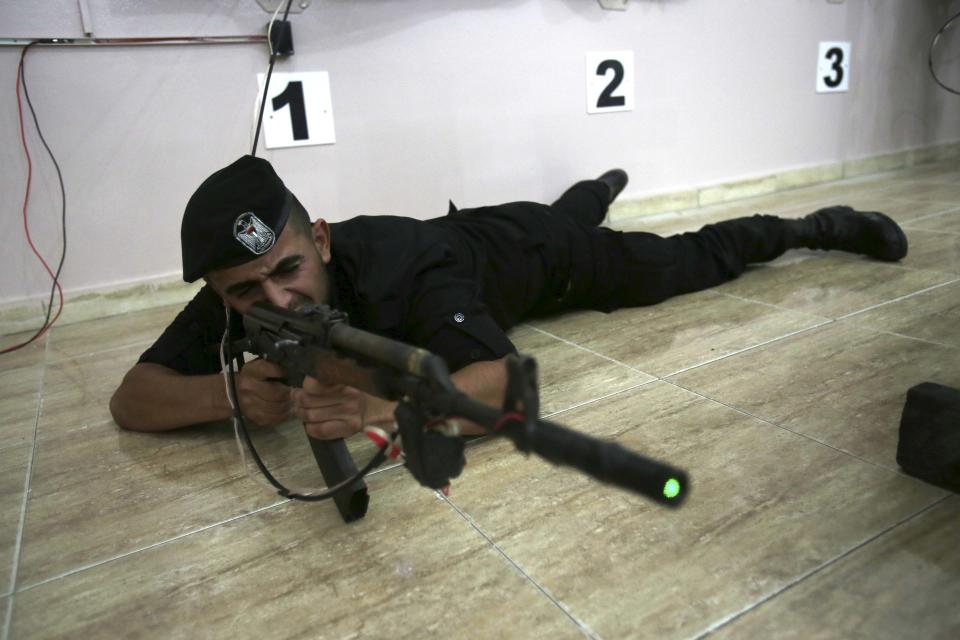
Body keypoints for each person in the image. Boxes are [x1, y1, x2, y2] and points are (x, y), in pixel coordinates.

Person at [109, 156, 908, 439]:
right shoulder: (242, 293)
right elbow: (133, 399)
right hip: (483, 240)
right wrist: (226, 398)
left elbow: (510, 388)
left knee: (686, 260)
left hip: (542, 260)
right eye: (247, 291)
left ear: (319, 238)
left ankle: (816, 226)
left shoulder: (398, 265)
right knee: (564, 211)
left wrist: (379, 410)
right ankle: (592, 189)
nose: (275, 300)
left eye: (288, 270)